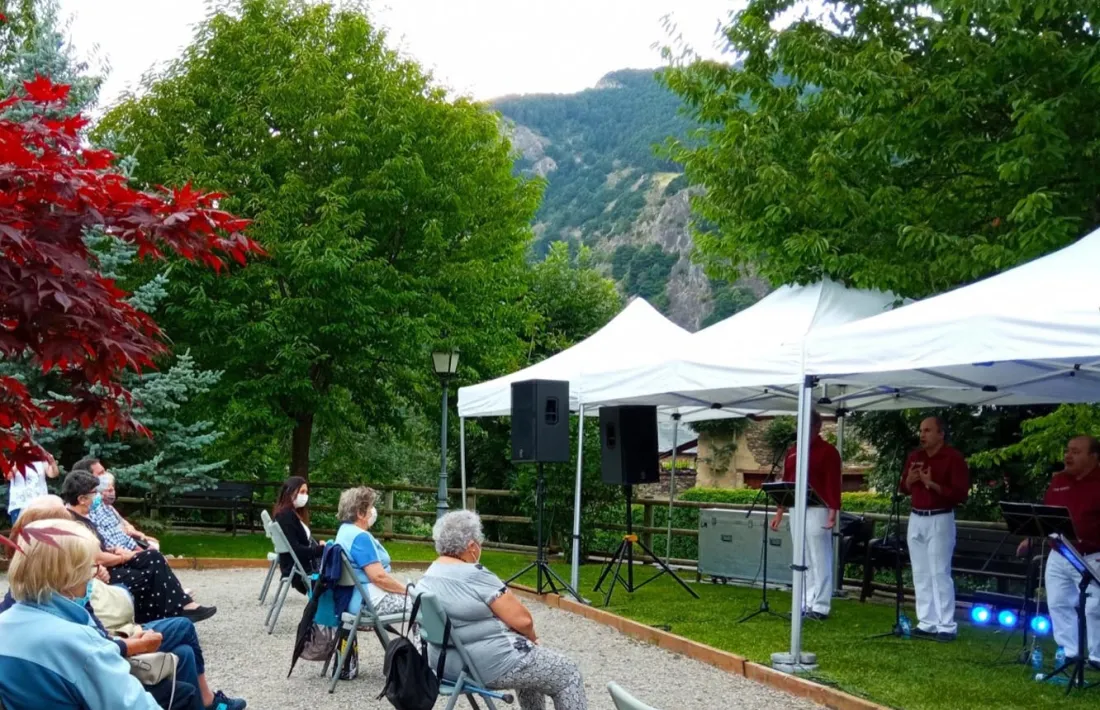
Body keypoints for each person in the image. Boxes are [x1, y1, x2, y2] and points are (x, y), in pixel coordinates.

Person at [2, 504, 246, 710]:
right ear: (66, 578)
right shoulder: (77, 643)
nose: (92, 577)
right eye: (89, 569)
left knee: (182, 657)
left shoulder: (7, 624)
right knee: (183, 682)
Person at [417, 510, 588, 710]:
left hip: (444, 663)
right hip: (483, 664)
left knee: (531, 666)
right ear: (471, 546)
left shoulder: (431, 572)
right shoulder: (474, 574)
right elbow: (523, 621)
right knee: (568, 673)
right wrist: (532, 639)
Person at [61, 470, 216, 624]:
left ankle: (182, 606)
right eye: (94, 493)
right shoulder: (76, 522)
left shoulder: (84, 518)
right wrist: (122, 556)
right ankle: (169, 613)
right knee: (146, 575)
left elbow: (98, 550)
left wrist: (114, 551)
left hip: (107, 563)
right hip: (98, 572)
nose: (98, 497)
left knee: (152, 556)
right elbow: (95, 557)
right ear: (82, 499)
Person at [1020, 436, 1100, 668]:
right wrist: (1031, 535)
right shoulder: (1058, 481)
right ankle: (1070, 652)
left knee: (1095, 607)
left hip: (1092, 555)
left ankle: (1096, 657)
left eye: (1076, 452)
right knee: (1058, 602)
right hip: (1060, 553)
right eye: (1067, 451)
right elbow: (1047, 515)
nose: (1068, 456)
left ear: (1093, 457)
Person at [898, 416, 969, 641]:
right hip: (916, 516)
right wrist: (909, 480)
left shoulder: (953, 458)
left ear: (941, 434)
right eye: (921, 430)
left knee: (939, 571)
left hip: (940, 517)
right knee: (920, 572)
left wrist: (932, 484)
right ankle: (927, 621)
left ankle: (946, 625)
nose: (922, 435)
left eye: (928, 430)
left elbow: (960, 494)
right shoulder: (915, 456)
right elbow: (904, 488)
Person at [770, 409, 842, 620]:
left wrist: (832, 512)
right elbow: (788, 480)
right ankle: (804, 601)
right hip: (796, 507)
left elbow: (833, 483)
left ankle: (820, 605)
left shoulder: (828, 452)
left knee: (819, 556)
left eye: (807, 426)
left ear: (817, 427)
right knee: (801, 556)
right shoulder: (793, 451)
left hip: (818, 508)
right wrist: (780, 510)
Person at [333, 486, 413, 615]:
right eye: (370, 507)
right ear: (360, 513)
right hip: (367, 600)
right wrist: (408, 591)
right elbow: (379, 577)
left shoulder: (344, 531)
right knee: (422, 604)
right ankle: (423, 636)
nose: (373, 511)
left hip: (352, 597)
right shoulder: (360, 537)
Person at [76, 457, 160, 549]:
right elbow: (108, 540)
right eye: (101, 473)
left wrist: (138, 535)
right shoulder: (89, 508)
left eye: (105, 471)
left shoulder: (103, 505)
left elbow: (123, 524)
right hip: (118, 554)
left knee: (153, 546)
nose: (106, 475)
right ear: (88, 478)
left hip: (126, 548)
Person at [272, 476, 325, 594]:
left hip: (299, 564)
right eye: (302, 492)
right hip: (299, 568)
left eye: (306, 492)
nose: (305, 496)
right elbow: (296, 548)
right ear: (290, 492)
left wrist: (318, 544)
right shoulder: (286, 516)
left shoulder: (291, 514)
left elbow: (302, 539)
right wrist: (319, 550)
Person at [90, 472, 160, 552]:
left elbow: (125, 527)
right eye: (109, 490)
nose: (113, 493)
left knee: (153, 548)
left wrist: (142, 539)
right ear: (100, 493)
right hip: (120, 552)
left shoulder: (109, 508)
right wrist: (136, 554)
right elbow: (111, 540)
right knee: (153, 552)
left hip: (127, 543)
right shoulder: (96, 511)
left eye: (113, 489)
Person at [6, 450, 59, 524]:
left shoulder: (40, 461)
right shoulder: (13, 461)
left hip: (40, 505)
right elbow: (8, 476)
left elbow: (53, 474)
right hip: (20, 504)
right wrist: (20, 462)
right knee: (20, 533)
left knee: (40, 533)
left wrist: (52, 462)